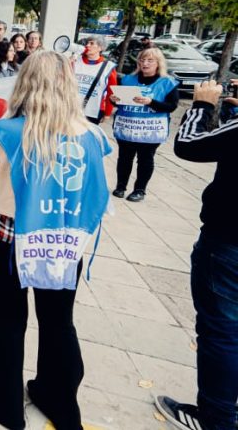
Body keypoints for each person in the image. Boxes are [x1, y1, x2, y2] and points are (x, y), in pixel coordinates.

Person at [0, 50, 114, 430]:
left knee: (10, 318)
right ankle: (61, 402)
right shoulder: (92, 135)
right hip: (64, 240)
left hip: (9, 236)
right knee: (58, 322)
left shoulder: (5, 131)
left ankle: (5, 402)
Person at [156, 79, 238, 430]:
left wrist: (203, 105)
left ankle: (217, 418)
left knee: (222, 330)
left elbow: (189, 145)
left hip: (228, 243)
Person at [108, 47, 179, 203]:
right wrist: (113, 99)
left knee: (145, 159)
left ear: (158, 63)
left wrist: (151, 102)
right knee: (125, 158)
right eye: (142, 60)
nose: (145, 63)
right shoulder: (127, 79)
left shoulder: (167, 83)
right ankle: (121, 186)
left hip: (150, 130)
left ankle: (140, 190)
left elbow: (171, 106)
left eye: (150, 60)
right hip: (127, 126)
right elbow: (116, 101)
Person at [74, 36, 117, 125]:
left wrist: (107, 113)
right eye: (87, 43)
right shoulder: (75, 61)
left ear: (100, 48)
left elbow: (111, 92)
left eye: (91, 43)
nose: (87, 45)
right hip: (71, 108)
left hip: (93, 111)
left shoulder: (108, 66)